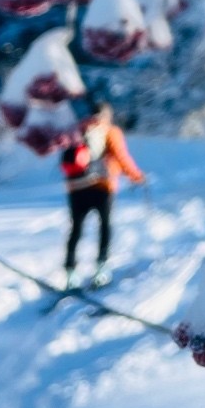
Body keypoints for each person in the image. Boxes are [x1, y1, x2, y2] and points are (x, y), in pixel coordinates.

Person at [61, 100, 146, 288]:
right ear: (107, 115)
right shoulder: (110, 131)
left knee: (76, 229)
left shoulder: (78, 129)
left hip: (76, 187)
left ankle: (70, 273)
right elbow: (121, 156)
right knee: (104, 227)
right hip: (102, 187)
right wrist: (137, 176)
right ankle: (101, 269)